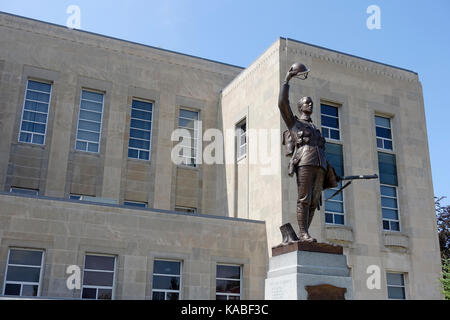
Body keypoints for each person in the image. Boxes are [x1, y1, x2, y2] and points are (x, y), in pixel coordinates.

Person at [278, 63, 336, 242]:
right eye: (306, 102)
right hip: (304, 161)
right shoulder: (294, 123)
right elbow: (282, 104)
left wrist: (331, 172)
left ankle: (305, 233)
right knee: (304, 199)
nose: (309, 104)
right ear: (299, 107)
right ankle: (303, 233)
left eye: (311, 103)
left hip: (320, 165)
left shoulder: (315, 128)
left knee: (313, 202)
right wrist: (287, 81)